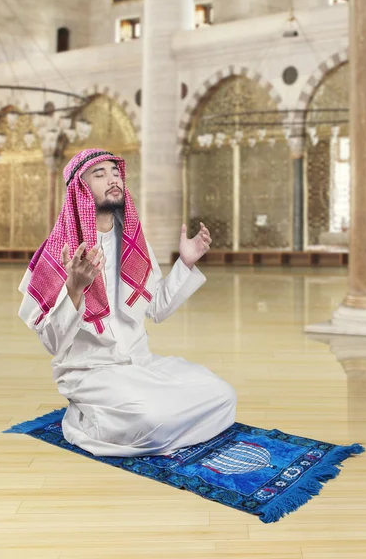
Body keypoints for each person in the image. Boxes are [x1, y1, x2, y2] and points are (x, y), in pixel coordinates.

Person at [18, 148, 237, 457]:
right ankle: (85, 418)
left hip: (141, 363)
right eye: (100, 174)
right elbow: (53, 342)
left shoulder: (132, 242)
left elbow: (156, 308)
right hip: (92, 372)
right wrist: (75, 287)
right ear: (79, 188)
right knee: (152, 418)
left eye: (115, 172)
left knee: (223, 395)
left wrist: (185, 264)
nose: (113, 179)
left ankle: (139, 425)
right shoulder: (60, 253)